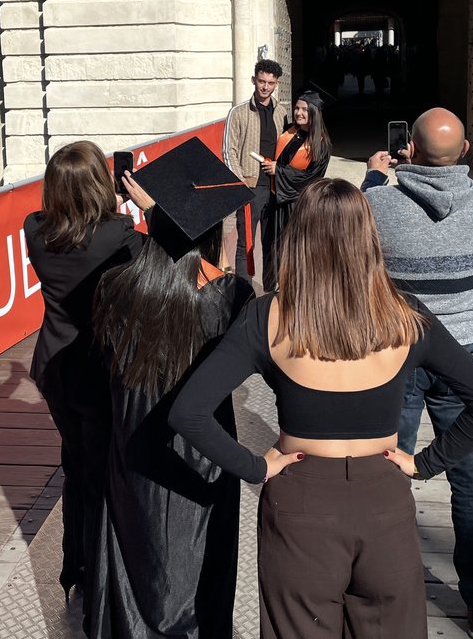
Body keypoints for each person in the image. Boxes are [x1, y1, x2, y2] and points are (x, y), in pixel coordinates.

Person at [168, 178, 473, 639]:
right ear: (369, 238)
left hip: (299, 497)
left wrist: (253, 466)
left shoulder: (267, 316)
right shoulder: (406, 316)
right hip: (384, 496)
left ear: (298, 238)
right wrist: (425, 463)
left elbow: (188, 412)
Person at [89, 138, 256, 639]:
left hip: (134, 441)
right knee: (202, 561)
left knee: (135, 551)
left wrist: (155, 216)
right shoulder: (230, 297)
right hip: (199, 455)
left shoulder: (113, 286)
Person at [363, 108, 473, 639]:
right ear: (466, 151)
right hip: (462, 359)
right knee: (470, 481)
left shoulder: (379, 203)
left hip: (397, 355)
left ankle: (383, 587)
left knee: (384, 472)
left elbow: (358, 239)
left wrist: (376, 178)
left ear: (410, 151)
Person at [23, 141, 148, 611]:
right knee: (100, 474)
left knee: (76, 466)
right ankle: (99, 574)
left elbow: (65, 227)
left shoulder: (34, 230)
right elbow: (159, 260)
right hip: (98, 369)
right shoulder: (117, 235)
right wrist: (135, 210)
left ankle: (74, 565)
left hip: (55, 365)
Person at [223, 59, 287, 284]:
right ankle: (244, 293)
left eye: (270, 82)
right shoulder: (239, 112)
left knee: (273, 241)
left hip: (275, 187)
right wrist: (241, 183)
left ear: (277, 84)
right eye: (261, 81)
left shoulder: (282, 113)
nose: (265, 87)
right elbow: (228, 150)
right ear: (254, 80)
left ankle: (270, 290)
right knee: (246, 243)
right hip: (250, 187)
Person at [259, 91, 331, 291]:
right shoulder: (290, 131)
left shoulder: (321, 144)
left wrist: (278, 170)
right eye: (297, 108)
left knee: (295, 247)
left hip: (297, 205)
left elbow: (311, 178)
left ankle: (297, 289)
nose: (298, 113)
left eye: (304, 110)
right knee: (272, 245)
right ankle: (273, 288)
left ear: (314, 113)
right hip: (277, 200)